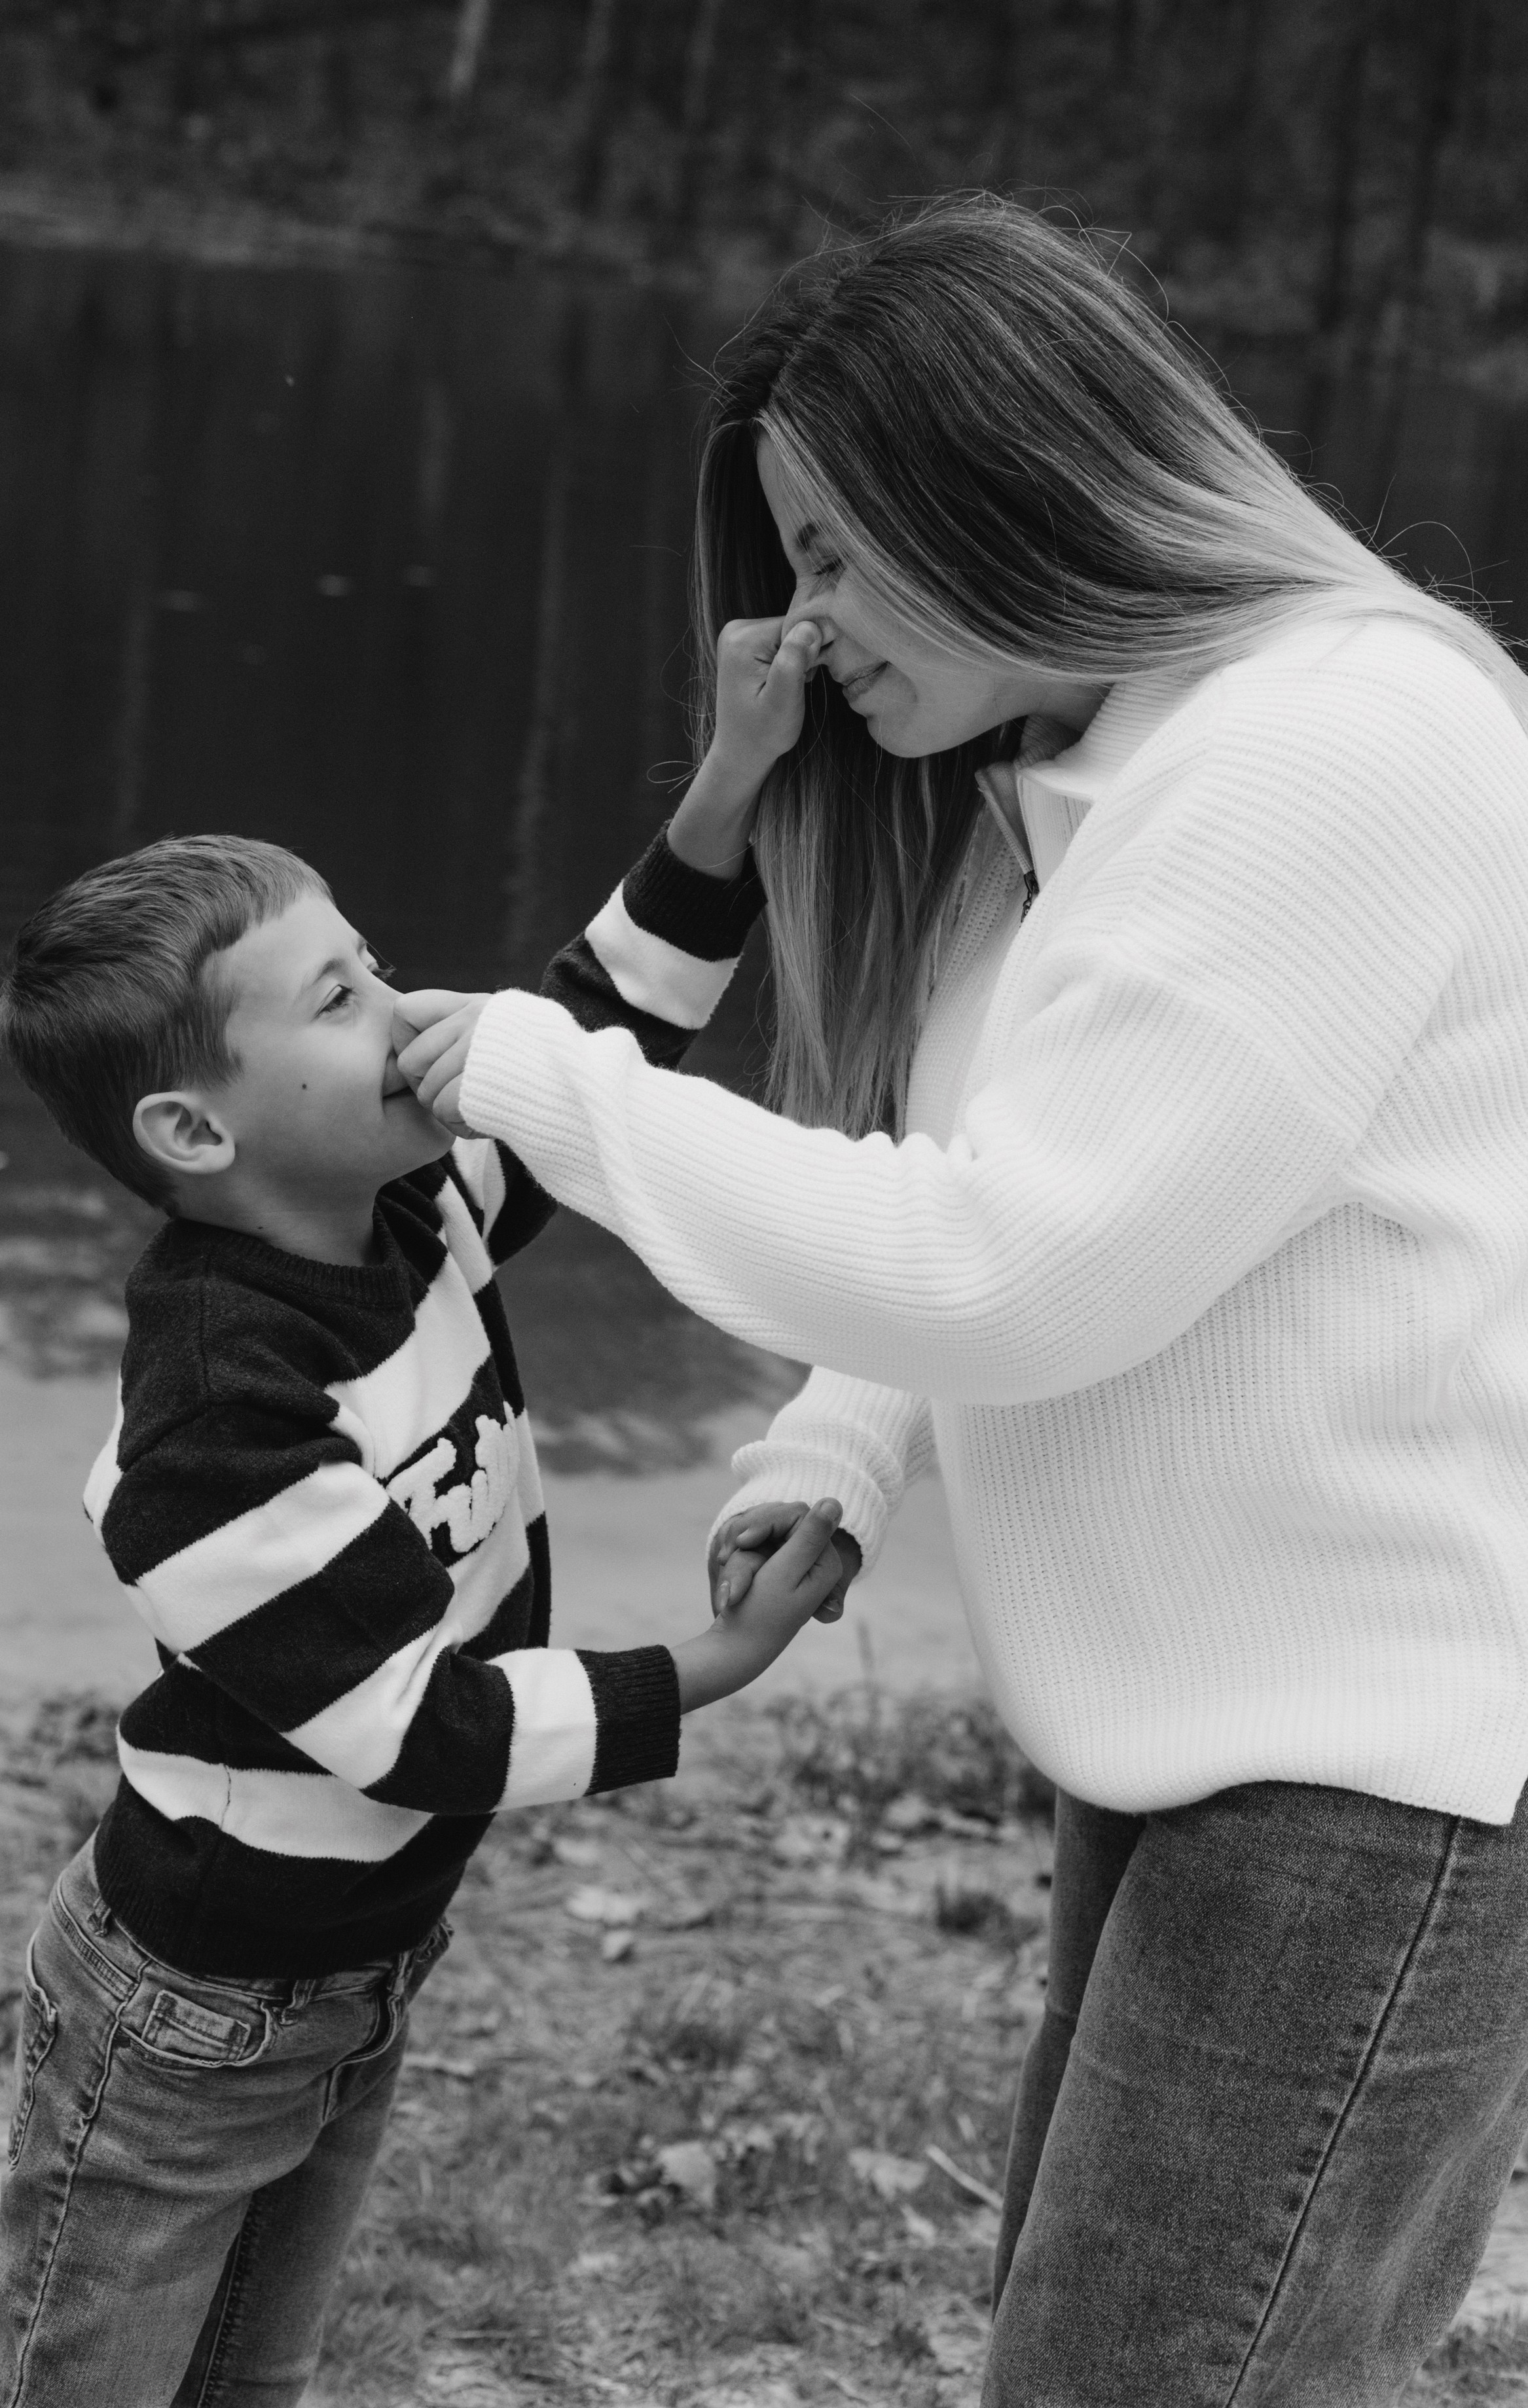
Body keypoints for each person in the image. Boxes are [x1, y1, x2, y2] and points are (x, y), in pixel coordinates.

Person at [395, 195, 1528, 2403]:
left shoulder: (1331, 748)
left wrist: (538, 1079)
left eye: (827, 555)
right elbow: (1046, 1194)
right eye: (784, 570)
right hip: (1203, 1734)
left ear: (1001, 485)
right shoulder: (1081, 777)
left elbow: (1030, 1264)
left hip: (1366, 1769)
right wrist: (846, 1426)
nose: (799, 628)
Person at [0, 814, 848, 2407]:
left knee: (254, 2378)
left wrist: (724, 803)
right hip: (191, 2013)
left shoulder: (411, 1208)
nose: (407, 1009)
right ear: (195, 1131)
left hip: (357, 1967)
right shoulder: (219, 1417)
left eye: (376, 962)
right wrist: (710, 1667)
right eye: (337, 999)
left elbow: (595, 1041)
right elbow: (416, 1726)